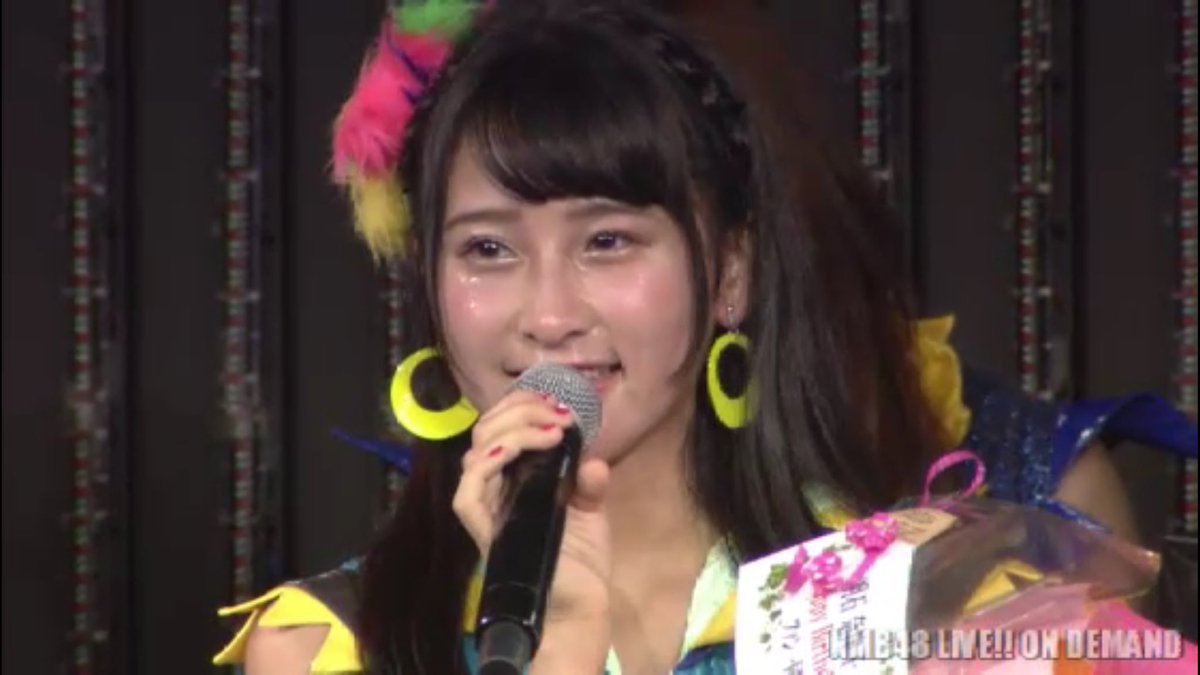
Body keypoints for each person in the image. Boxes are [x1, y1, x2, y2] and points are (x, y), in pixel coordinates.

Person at [213, 1, 1192, 673]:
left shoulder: (927, 603)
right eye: (488, 249)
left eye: (607, 241)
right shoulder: (330, 647)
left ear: (730, 273)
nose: (548, 312)